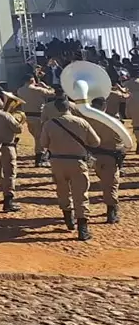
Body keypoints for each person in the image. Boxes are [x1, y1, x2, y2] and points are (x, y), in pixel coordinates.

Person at [40, 95, 100, 241]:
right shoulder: (81, 122)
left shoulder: (49, 124)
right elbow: (96, 142)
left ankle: (68, 220)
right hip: (77, 162)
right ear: (70, 108)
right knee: (81, 194)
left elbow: (43, 144)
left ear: (56, 108)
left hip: (57, 162)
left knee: (62, 191)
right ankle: (82, 229)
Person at [87, 96, 126, 224]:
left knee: (104, 181)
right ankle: (111, 213)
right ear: (104, 106)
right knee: (111, 185)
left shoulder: (87, 121)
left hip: (94, 156)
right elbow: (122, 140)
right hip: (110, 157)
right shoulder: (112, 121)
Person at [16, 70, 55, 165]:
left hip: (27, 116)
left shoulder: (20, 90)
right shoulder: (37, 90)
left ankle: (42, 155)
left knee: (36, 136)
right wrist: (45, 86)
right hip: (39, 116)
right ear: (32, 80)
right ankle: (40, 157)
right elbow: (52, 93)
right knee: (40, 138)